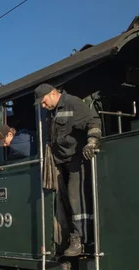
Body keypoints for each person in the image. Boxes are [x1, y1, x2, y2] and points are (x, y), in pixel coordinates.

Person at [34, 83, 102, 257]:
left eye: (43, 101)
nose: (43, 105)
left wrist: (92, 141)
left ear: (52, 93)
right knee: (65, 203)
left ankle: (81, 239)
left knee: (76, 199)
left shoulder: (73, 103)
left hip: (76, 161)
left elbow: (92, 121)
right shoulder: (53, 111)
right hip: (60, 163)